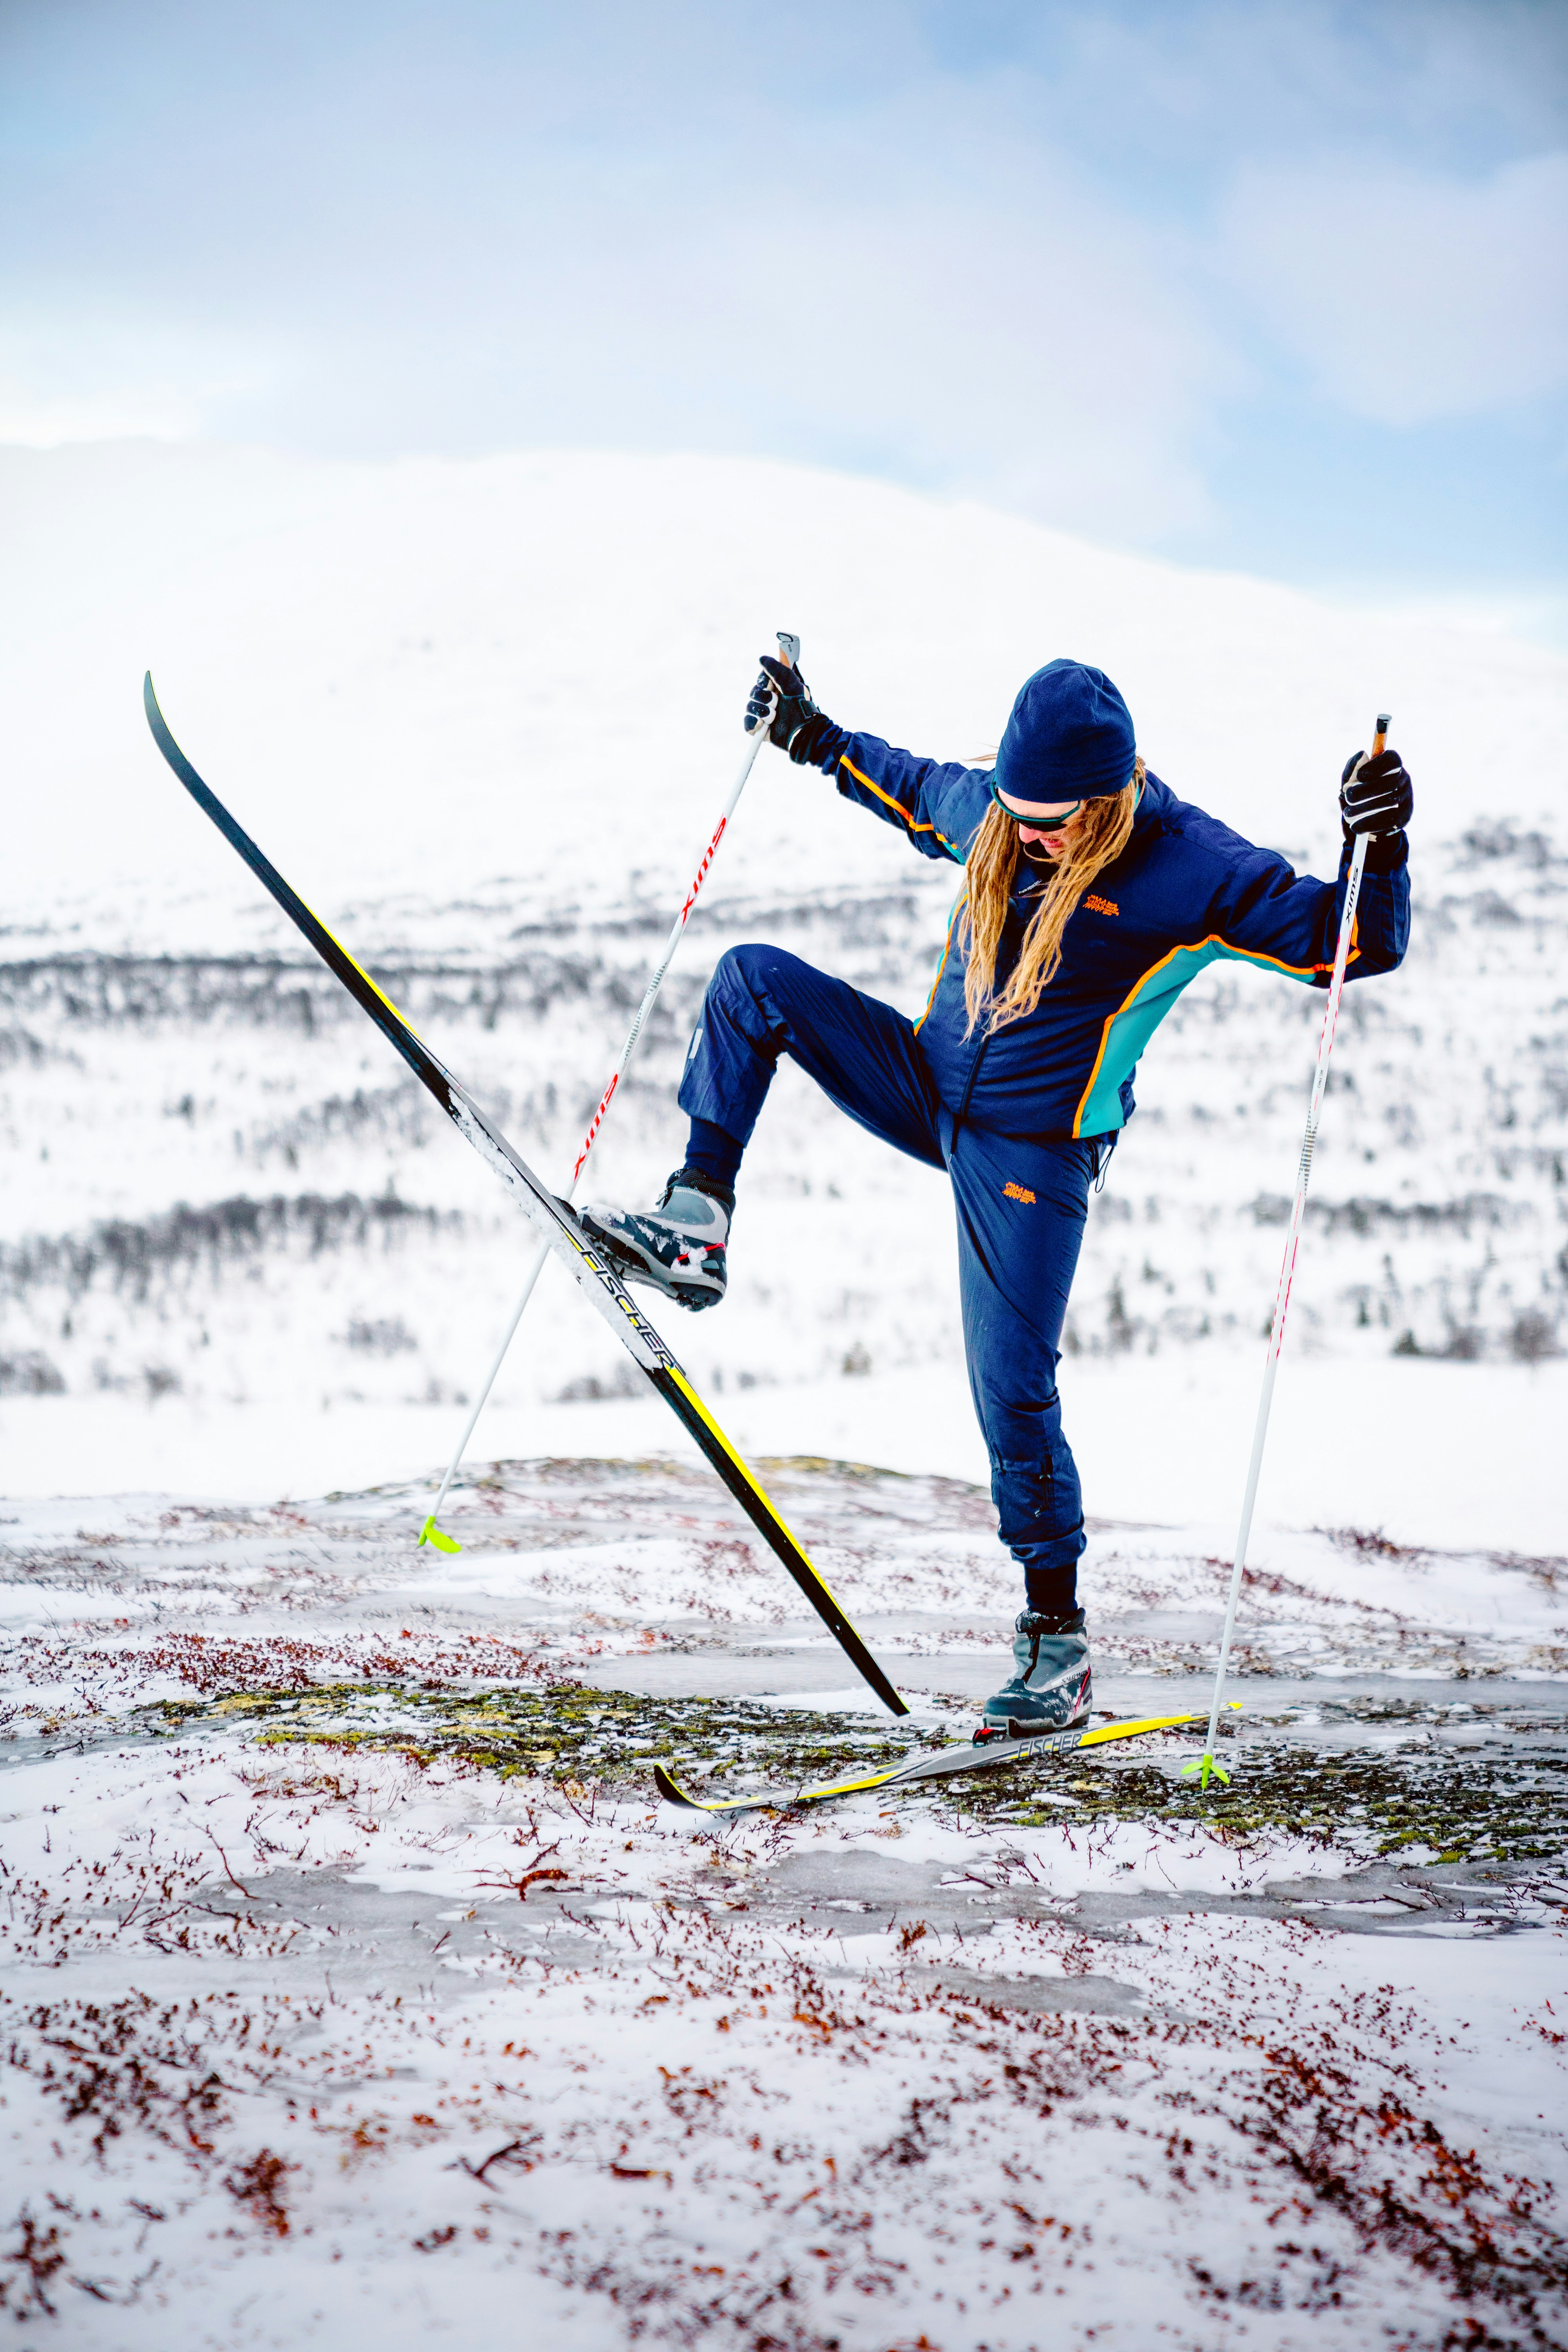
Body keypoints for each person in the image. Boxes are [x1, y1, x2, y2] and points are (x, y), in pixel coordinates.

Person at [581, 654, 1413, 1737]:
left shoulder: (1187, 866)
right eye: (1016, 815)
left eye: (1052, 824)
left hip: (1033, 1153)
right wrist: (811, 734)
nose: (1028, 837)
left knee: (1011, 1388)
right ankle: (697, 1223)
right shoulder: (1000, 816)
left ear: (1109, 798)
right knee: (751, 980)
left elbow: (1350, 944)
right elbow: (909, 783)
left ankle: (1056, 1644)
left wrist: (1378, 844)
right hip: (925, 1083)